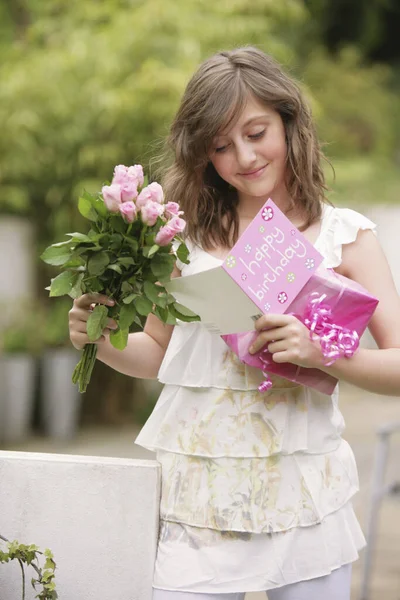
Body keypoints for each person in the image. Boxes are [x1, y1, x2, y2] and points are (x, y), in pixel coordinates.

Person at [68, 47, 400, 600]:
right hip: (201, 503)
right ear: (202, 154)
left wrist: (323, 354)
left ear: (290, 122)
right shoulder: (181, 240)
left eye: (256, 132)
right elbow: (158, 354)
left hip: (304, 502)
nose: (244, 156)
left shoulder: (345, 237)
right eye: (220, 146)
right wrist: (100, 339)